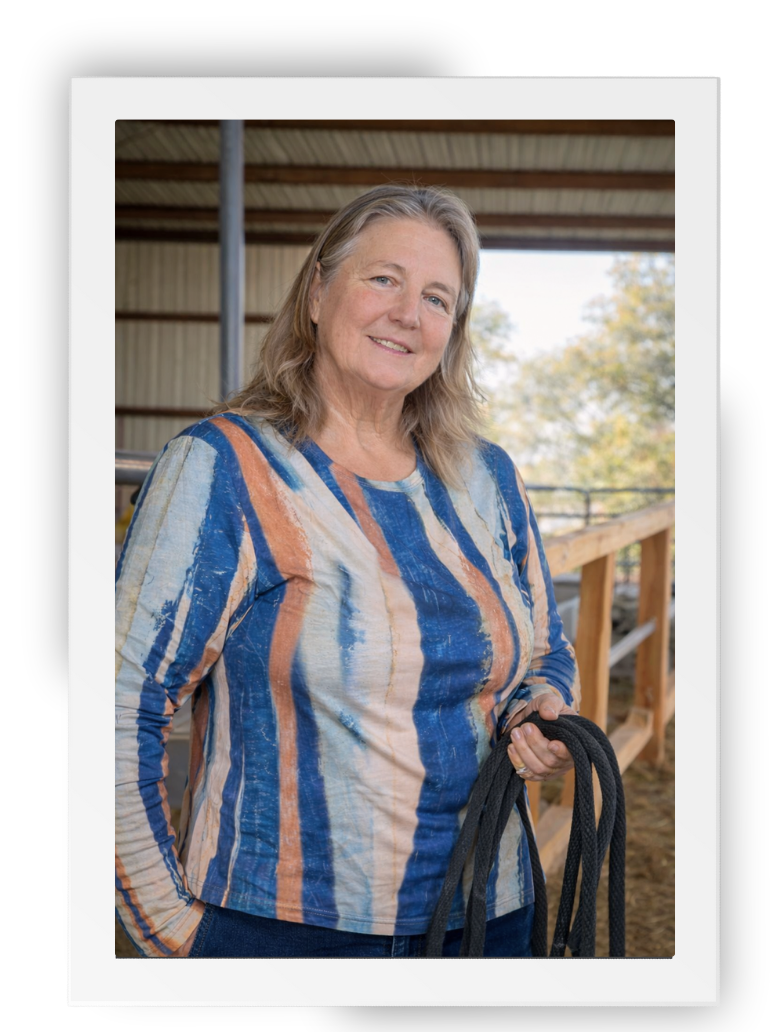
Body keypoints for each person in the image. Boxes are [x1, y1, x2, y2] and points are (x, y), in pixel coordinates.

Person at [115, 185, 581, 959]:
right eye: (382, 279)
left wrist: (539, 710)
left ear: (451, 331)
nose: (408, 312)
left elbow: (542, 649)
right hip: (288, 930)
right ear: (318, 292)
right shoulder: (226, 468)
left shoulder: (485, 478)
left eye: (437, 297)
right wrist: (168, 926)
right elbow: (117, 699)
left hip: (489, 913)